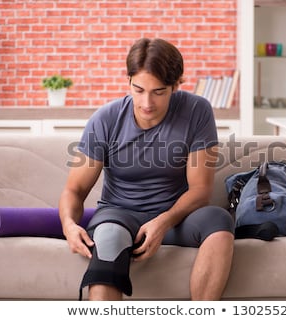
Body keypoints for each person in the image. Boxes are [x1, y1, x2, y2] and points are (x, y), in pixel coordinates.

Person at [59, 38, 235, 301]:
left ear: (177, 85)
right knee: (107, 239)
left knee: (219, 221)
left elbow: (200, 190)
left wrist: (163, 222)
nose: (146, 103)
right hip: (118, 215)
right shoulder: (105, 119)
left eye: (159, 91)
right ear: (128, 81)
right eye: (138, 90)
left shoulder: (197, 110)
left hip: (176, 218)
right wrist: (68, 225)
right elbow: (75, 189)